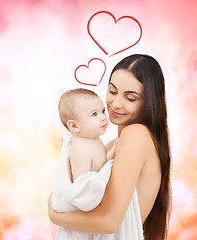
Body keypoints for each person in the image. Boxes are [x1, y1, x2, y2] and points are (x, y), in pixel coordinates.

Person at [48, 54, 172, 240]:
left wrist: (56, 215)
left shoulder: (137, 134)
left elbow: (109, 222)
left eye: (130, 98)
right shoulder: (110, 146)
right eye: (112, 91)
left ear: (149, 102)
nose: (115, 103)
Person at [52, 88, 115, 239]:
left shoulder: (91, 138)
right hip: (80, 224)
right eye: (94, 114)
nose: (103, 118)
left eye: (102, 111)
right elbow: (83, 190)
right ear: (74, 126)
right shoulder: (80, 149)